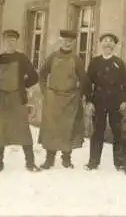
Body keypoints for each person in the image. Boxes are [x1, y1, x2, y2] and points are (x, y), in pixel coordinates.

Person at [0, 29, 40, 173]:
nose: (11, 43)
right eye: (8, 40)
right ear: (4, 42)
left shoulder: (22, 58)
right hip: (2, 100)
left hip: (17, 99)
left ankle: (30, 163)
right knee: (0, 132)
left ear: (17, 42)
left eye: (13, 40)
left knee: (23, 130)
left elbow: (34, 76)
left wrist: (22, 85)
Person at [38, 29, 87, 169]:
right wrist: (45, 92)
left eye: (70, 42)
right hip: (53, 98)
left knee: (68, 129)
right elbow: (42, 74)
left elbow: (84, 79)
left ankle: (66, 159)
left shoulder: (77, 60)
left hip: (70, 100)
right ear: (61, 41)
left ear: (74, 43)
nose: (67, 44)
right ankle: (49, 159)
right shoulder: (52, 57)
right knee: (51, 129)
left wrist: (79, 94)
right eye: (65, 41)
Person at [84, 32, 126, 170]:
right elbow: (87, 83)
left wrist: (124, 101)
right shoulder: (95, 62)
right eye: (105, 41)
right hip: (98, 102)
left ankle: (119, 162)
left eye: (111, 41)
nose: (108, 43)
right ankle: (93, 162)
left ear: (114, 45)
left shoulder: (119, 63)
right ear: (101, 44)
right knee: (97, 131)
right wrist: (89, 101)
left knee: (117, 131)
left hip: (115, 102)